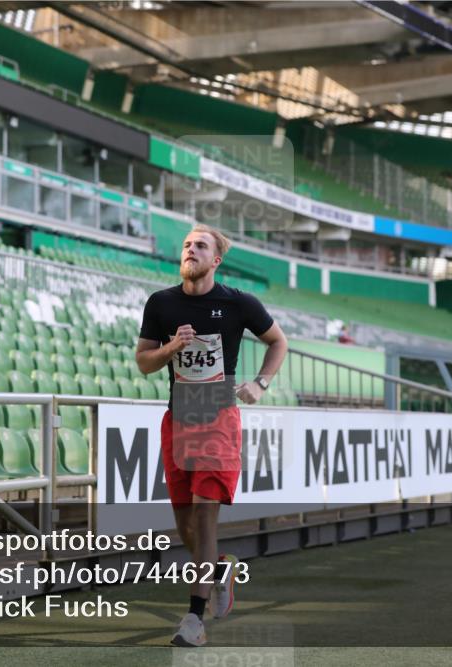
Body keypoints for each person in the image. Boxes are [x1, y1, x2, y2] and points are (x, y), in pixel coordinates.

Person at [136, 224, 288, 647]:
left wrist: (260, 383)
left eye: (200, 246)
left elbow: (278, 341)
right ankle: (220, 568)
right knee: (185, 523)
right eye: (186, 244)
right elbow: (143, 363)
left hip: (218, 417)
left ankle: (193, 621)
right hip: (178, 417)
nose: (190, 250)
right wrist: (169, 349)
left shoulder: (238, 303)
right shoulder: (161, 303)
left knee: (204, 517)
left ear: (215, 260)